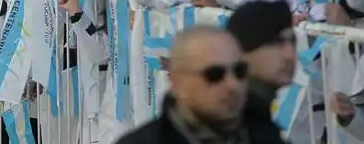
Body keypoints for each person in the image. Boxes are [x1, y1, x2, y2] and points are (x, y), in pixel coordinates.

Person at [115, 25, 285, 144]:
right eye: (214, 75)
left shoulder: (267, 135)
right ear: (176, 81)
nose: (232, 85)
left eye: (239, 71)